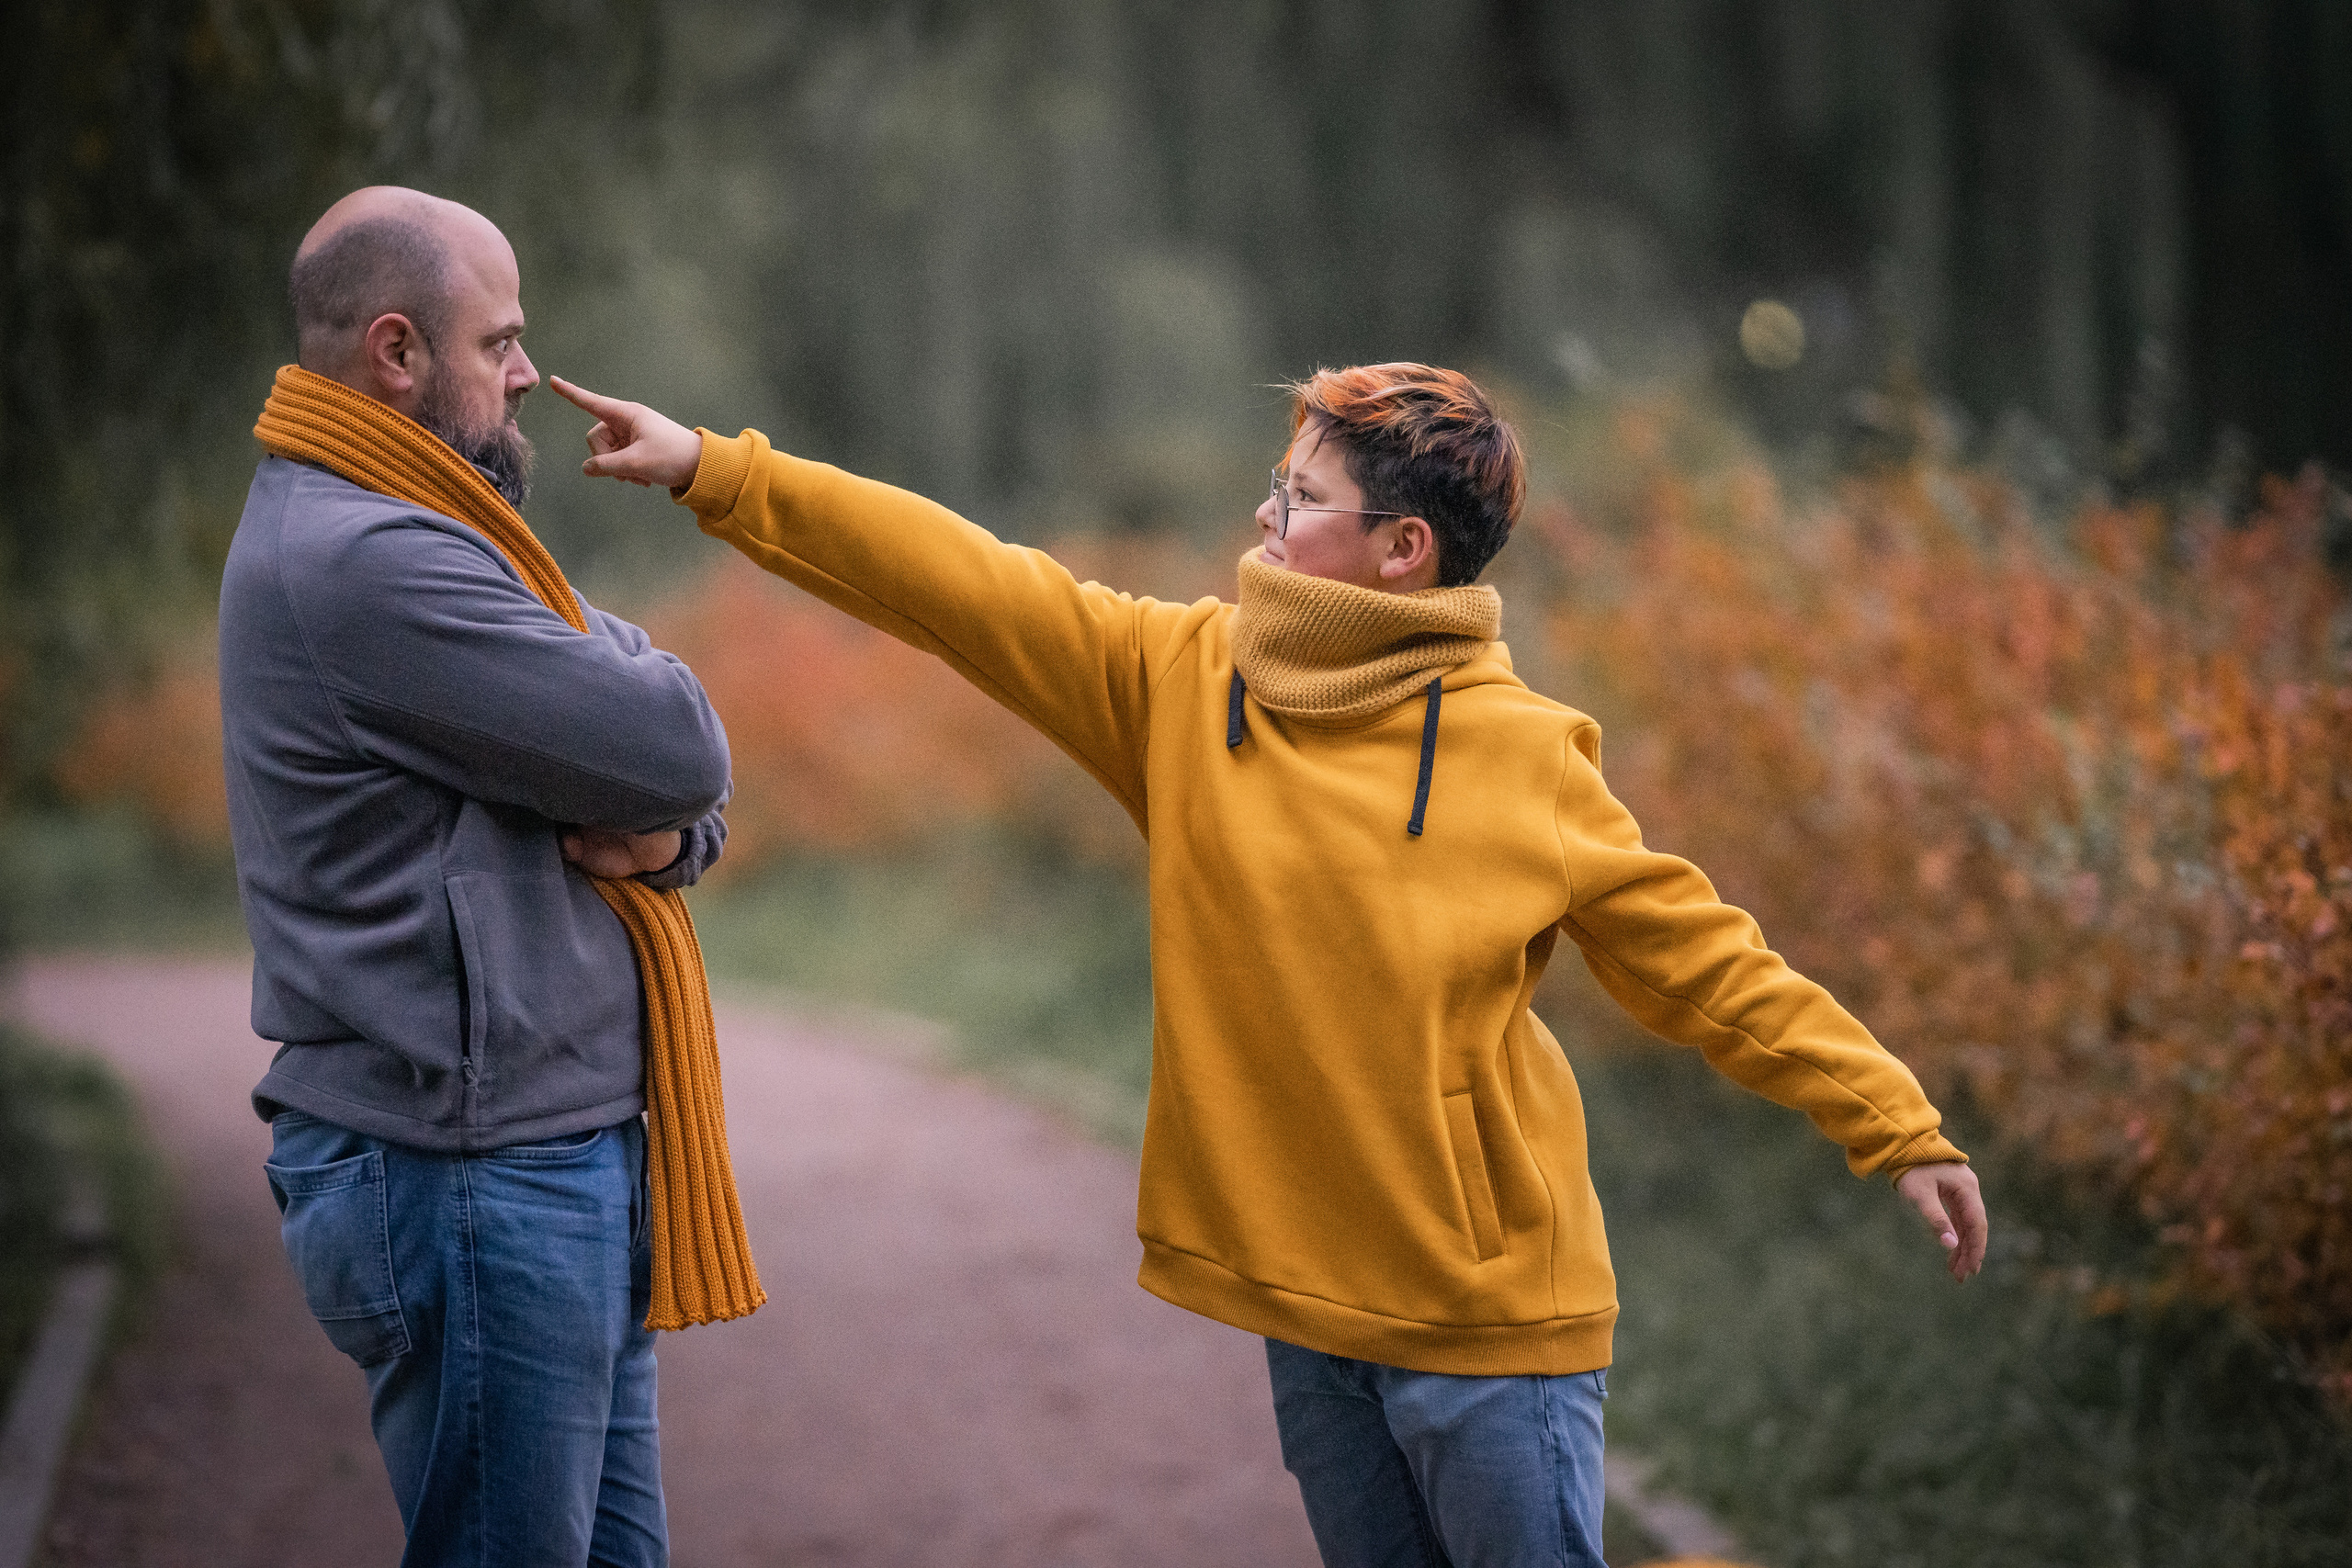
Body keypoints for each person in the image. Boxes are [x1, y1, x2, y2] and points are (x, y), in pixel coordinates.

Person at [553, 362, 1989, 1568]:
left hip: (1493, 1332)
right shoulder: (1185, 685)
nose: (1266, 513)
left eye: (1301, 499)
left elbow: (1707, 966)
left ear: (1401, 551)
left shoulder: (1526, 757)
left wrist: (1890, 1120)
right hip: (1309, 1313)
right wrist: (714, 473)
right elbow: (969, 588)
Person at [219, 186, 734, 1568]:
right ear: (397, 352)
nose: (525, 375)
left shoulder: (423, 532)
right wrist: (668, 778)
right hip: (467, 1173)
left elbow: (662, 793)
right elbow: (675, 738)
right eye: (498, 342)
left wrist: (673, 833)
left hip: (530, 1156)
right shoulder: (372, 557)